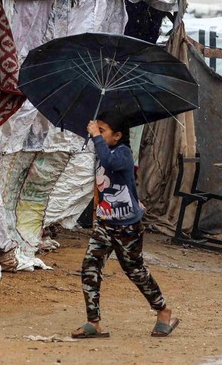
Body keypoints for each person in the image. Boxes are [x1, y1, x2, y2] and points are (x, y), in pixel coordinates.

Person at [72, 115, 179, 339]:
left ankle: (163, 311)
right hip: (104, 225)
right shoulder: (101, 153)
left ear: (118, 135)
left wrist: (95, 137)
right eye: (97, 130)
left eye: (103, 130)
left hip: (127, 228)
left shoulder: (123, 154)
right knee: (90, 268)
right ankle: (94, 322)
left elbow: (111, 163)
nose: (97, 135)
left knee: (135, 270)